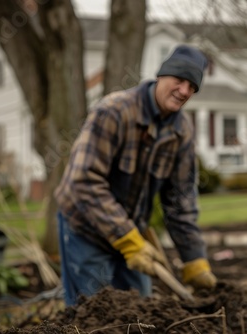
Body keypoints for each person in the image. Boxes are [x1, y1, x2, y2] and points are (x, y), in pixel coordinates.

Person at [55, 45, 217, 306]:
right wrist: (126, 238)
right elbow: (83, 181)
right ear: (161, 75)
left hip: (132, 233)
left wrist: (194, 258)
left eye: (192, 86)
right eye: (179, 80)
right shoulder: (114, 111)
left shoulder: (182, 132)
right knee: (96, 311)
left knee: (142, 309)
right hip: (86, 228)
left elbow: (181, 201)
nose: (184, 91)